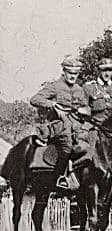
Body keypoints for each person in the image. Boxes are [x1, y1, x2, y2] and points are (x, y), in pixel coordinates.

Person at [30, 56, 90, 190]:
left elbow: (87, 108)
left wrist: (84, 110)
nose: (73, 76)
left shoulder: (79, 90)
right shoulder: (55, 87)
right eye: (70, 73)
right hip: (59, 126)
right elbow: (34, 99)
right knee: (67, 145)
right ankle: (60, 177)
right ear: (64, 71)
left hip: (77, 127)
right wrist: (52, 104)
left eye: (76, 73)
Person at [82, 57, 112, 124]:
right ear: (98, 71)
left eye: (110, 70)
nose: (107, 74)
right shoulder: (89, 87)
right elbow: (83, 108)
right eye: (104, 70)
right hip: (96, 124)